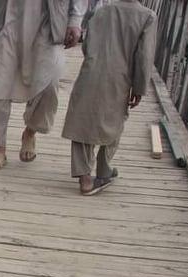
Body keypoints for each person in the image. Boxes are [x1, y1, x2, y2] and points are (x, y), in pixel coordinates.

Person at [0, 0, 87, 170]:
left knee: (49, 82)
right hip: (5, 19)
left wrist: (75, 21)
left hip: (47, 20)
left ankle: (30, 131)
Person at [62, 0, 156, 195]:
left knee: (83, 120)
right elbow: (144, 57)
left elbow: (87, 45)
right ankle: (101, 171)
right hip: (119, 77)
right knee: (114, 121)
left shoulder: (101, 11)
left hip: (91, 71)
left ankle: (86, 175)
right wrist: (139, 87)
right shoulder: (147, 16)